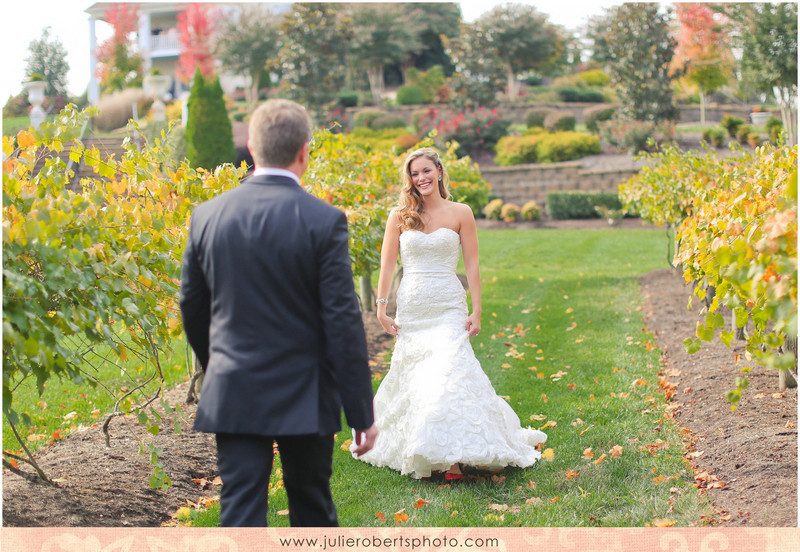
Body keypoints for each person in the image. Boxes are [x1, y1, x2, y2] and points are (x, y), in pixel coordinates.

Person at [180, 99, 378, 527]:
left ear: (251, 147)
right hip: (306, 390)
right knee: (311, 506)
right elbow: (343, 321)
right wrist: (361, 412)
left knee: (240, 509)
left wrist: (219, 365)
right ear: (305, 151)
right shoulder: (324, 220)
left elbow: (191, 307)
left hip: (234, 385)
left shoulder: (207, 216)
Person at [352, 147, 546, 480]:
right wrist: (382, 308)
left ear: (439, 171)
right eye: (414, 174)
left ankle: (453, 457)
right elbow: (386, 264)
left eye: (426, 171)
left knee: (450, 373)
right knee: (418, 377)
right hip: (413, 307)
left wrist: (478, 309)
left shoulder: (461, 213)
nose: (421, 178)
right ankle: (428, 449)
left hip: (448, 306)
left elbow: (472, 263)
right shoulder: (400, 215)